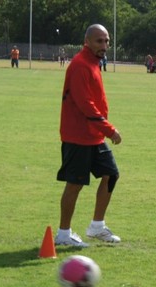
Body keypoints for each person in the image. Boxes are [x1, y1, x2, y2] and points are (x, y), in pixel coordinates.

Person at [54, 24, 123, 248]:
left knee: (111, 174)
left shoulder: (93, 63)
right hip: (77, 136)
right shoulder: (80, 65)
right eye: (99, 41)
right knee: (75, 184)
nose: (104, 45)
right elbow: (86, 105)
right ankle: (64, 234)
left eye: (106, 41)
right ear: (87, 42)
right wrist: (109, 129)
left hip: (93, 136)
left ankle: (96, 227)